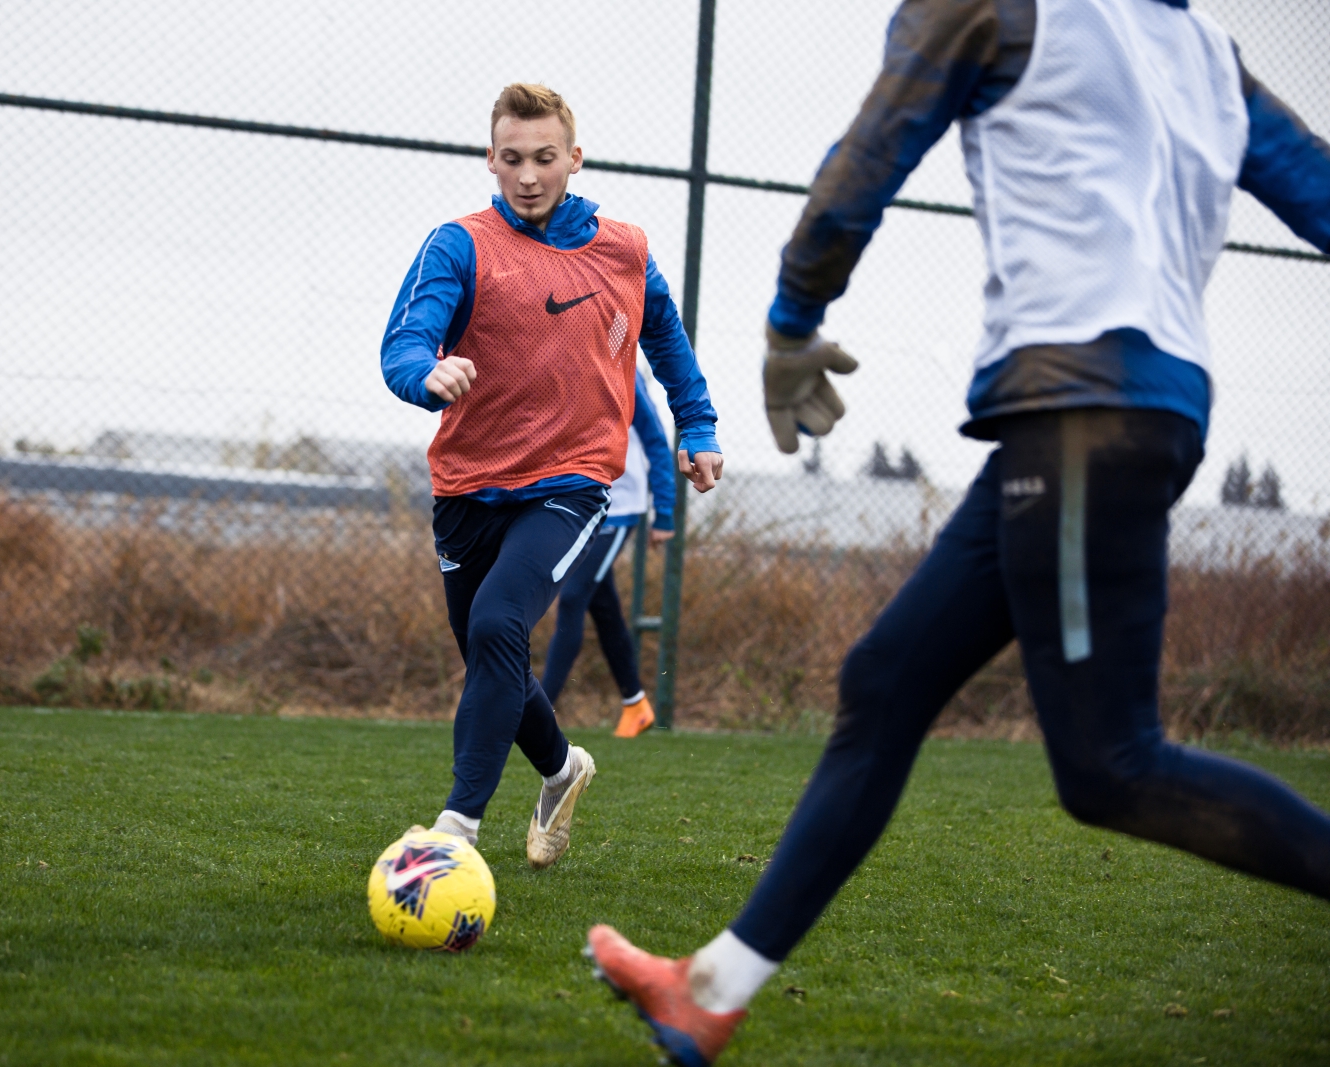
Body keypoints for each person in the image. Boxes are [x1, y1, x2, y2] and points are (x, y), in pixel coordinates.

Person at [584, 0, 1330, 1061]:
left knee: (1112, 764)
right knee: (883, 679)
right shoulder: (1205, 50)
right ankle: (709, 990)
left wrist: (792, 320)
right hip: (1102, 415)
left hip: (1084, 411)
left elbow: (869, 156)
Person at [381, 83, 723, 869]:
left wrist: (697, 428)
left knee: (501, 622)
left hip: (571, 483)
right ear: (490, 159)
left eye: (544, 158)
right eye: (512, 159)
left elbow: (667, 344)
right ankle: (562, 766)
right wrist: (424, 375)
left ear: (574, 157)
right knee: (487, 649)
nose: (528, 174)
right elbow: (404, 341)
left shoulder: (624, 249)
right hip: (467, 484)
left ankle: (456, 832)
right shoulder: (458, 245)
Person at [539, 368, 677, 738]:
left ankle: (537, 710)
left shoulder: (624, 373)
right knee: (603, 606)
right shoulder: (563, 364)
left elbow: (656, 443)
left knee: (571, 597)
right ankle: (636, 705)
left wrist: (664, 511)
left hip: (618, 509)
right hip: (579, 505)